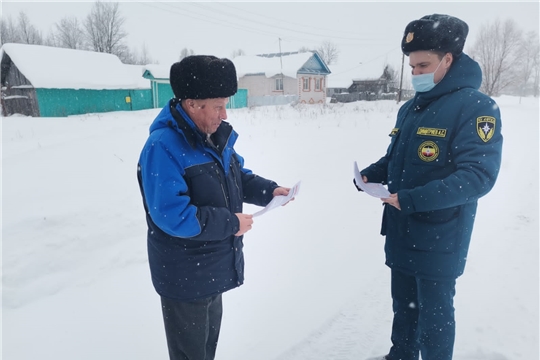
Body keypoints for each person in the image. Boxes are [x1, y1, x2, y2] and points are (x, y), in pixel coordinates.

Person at [357, 14, 503, 360]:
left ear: (449, 60)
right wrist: (369, 175)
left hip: (441, 235)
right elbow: (398, 158)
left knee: (435, 320)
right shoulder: (411, 108)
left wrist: (411, 199)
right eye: (412, 66)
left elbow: (478, 176)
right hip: (402, 230)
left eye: (424, 64)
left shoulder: (476, 107)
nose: (416, 73)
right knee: (404, 310)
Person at [137, 55, 292, 360]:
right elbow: (173, 215)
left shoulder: (212, 137)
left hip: (211, 267)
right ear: (193, 104)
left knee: (206, 349)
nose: (225, 113)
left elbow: (237, 176)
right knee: (190, 354)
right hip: (184, 275)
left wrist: (270, 191)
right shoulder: (163, 146)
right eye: (218, 105)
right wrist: (232, 224)